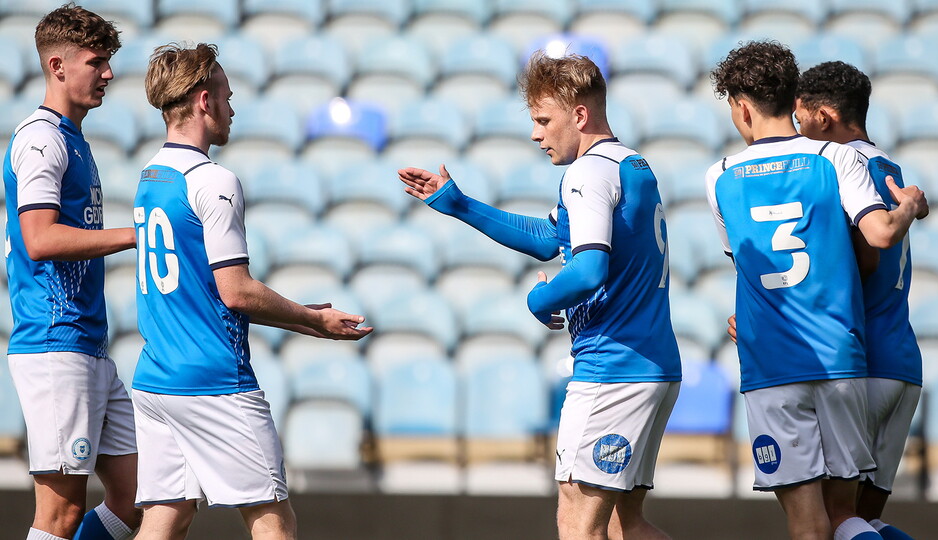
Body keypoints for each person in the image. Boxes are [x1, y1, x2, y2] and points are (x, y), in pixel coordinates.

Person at [398, 51, 680, 540]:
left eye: (543, 120)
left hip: (611, 368)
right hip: (652, 364)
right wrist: (459, 204)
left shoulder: (588, 173)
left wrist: (541, 300)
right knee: (624, 525)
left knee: (577, 523)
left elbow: (588, 270)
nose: (535, 134)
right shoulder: (630, 164)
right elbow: (550, 237)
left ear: (579, 115)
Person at [132, 43, 373, 540]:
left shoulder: (150, 175)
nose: (232, 108)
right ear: (204, 101)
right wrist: (313, 320)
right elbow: (236, 292)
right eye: (226, 96)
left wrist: (300, 316)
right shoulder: (213, 180)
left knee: (164, 521)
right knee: (274, 524)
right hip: (213, 380)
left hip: (156, 379)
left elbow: (208, 291)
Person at [705, 41, 927, 540]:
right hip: (848, 357)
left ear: (741, 109)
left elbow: (747, 263)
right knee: (853, 519)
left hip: (776, 364)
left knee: (813, 526)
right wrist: (911, 206)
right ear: (791, 100)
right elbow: (879, 238)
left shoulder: (719, 176)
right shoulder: (847, 160)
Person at [3, 5, 141, 540]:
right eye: (96, 62)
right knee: (58, 514)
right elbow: (40, 240)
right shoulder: (42, 139)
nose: (108, 73)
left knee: (139, 498)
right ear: (57, 66)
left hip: (88, 345)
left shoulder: (72, 137)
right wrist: (140, 234)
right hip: (55, 342)